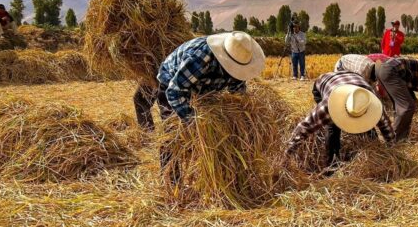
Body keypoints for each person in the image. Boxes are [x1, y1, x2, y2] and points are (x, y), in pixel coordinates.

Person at [156, 31, 265, 178]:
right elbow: (175, 91)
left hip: (201, 87)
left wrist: (245, 115)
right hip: (174, 84)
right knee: (174, 136)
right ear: (224, 60)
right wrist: (192, 121)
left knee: (209, 136)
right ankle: (170, 180)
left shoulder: (238, 59)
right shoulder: (201, 58)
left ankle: (202, 175)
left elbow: (237, 90)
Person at [286, 71, 395, 171]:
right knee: (332, 128)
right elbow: (304, 128)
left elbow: (386, 127)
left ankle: (372, 146)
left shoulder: (372, 103)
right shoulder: (326, 107)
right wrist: (287, 154)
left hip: (354, 77)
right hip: (325, 81)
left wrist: (391, 149)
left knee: (368, 128)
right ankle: (332, 166)